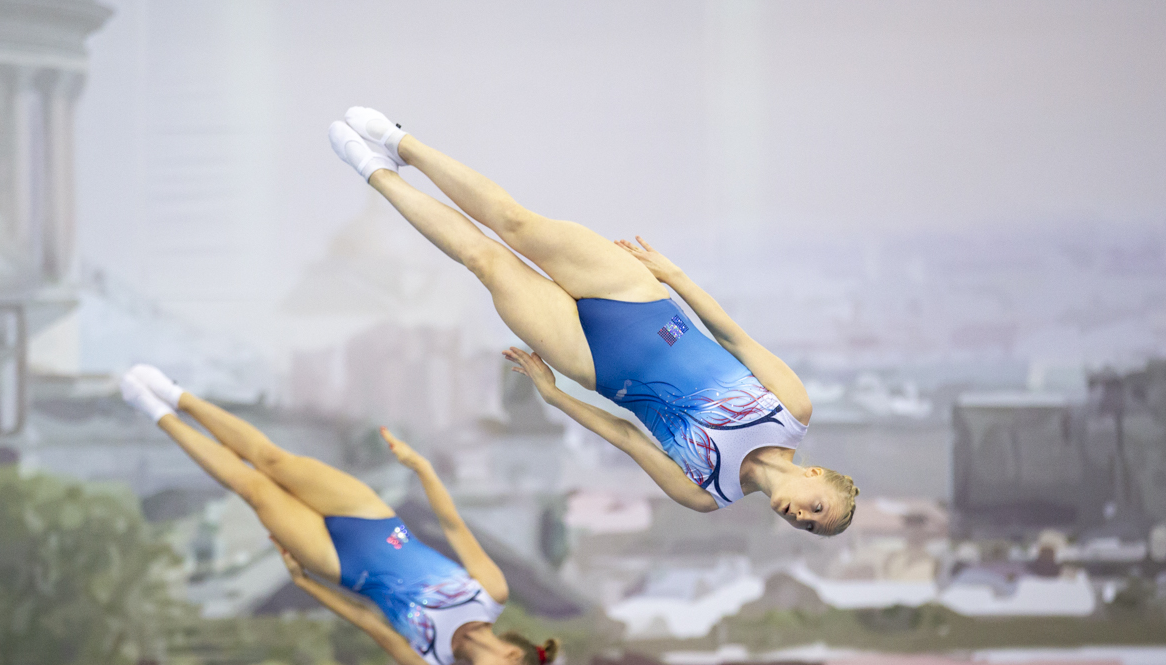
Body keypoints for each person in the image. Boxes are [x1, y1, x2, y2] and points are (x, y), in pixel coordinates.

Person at [328, 108, 859, 535]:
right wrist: (673, 275)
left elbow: (628, 438)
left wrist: (557, 396)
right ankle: (402, 143)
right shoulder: (792, 408)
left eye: (810, 527)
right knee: (514, 223)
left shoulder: (705, 494)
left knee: (484, 260)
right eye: (818, 508)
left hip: (590, 360)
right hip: (639, 299)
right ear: (815, 476)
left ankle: (374, 172)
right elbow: (731, 335)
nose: (802, 518)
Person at [118, 364, 558, 665]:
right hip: (375, 519)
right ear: (513, 656)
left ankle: (154, 410)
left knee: (252, 488)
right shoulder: (491, 592)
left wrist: (305, 584)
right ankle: (177, 395)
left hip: (340, 564)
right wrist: (422, 467)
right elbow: (452, 524)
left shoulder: (428, 661)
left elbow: (366, 618)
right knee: (273, 461)